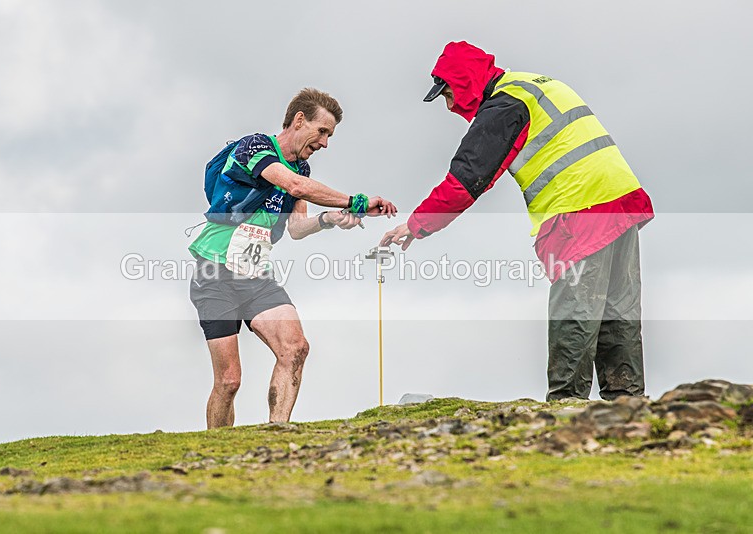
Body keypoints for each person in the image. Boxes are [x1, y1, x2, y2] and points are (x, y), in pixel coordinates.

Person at [381, 41, 654, 401]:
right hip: (620, 199)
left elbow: (468, 178)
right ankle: (627, 406)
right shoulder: (532, 84)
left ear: (464, 82)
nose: (448, 106)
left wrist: (415, 225)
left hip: (579, 207)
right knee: (617, 311)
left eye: (448, 93)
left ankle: (565, 408)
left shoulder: (505, 105)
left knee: (574, 311)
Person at [190, 88, 397, 427]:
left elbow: (298, 228)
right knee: (229, 381)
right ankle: (218, 453)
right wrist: (354, 201)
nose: (326, 143)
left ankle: (278, 433)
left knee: (296, 348)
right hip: (214, 273)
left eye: (330, 135)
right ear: (300, 120)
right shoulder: (255, 148)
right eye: (323, 131)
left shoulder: (302, 167)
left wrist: (329, 219)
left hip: (256, 276)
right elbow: (294, 186)